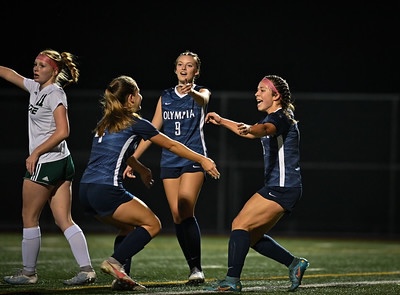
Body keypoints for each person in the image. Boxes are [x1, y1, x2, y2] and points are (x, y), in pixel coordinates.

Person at [79, 75, 220, 291]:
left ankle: (122, 278)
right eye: (138, 92)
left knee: (127, 228)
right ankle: (115, 262)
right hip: (106, 189)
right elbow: (171, 145)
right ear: (131, 98)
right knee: (153, 224)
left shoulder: (105, 123)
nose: (141, 96)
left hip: (85, 190)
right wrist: (202, 159)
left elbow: (116, 153)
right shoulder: (135, 123)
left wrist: (141, 168)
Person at [204, 75, 309, 292]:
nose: (256, 94)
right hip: (281, 187)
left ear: (276, 95)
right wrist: (222, 121)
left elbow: (262, 130)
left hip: (282, 187)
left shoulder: (279, 118)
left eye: (262, 90)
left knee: (239, 224)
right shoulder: (276, 116)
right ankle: (294, 264)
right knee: (250, 236)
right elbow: (252, 132)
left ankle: (232, 281)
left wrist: (252, 129)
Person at [0, 49, 96, 285]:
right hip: (62, 163)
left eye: (42, 66)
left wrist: (36, 152)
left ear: (54, 71)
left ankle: (28, 273)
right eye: (35, 64)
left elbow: (64, 131)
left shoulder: (54, 93)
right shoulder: (36, 87)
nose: (35, 69)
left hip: (47, 163)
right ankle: (87, 270)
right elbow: (8, 73)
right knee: (64, 220)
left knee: (29, 217)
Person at [131, 50, 211, 284]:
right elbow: (152, 132)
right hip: (170, 161)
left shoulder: (202, 92)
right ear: (175, 69)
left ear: (196, 71)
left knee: (186, 209)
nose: (184, 68)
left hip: (193, 159)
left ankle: (197, 268)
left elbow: (203, 100)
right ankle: (192, 267)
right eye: (180, 65)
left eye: (189, 65)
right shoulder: (165, 96)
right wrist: (133, 160)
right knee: (177, 216)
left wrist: (193, 92)